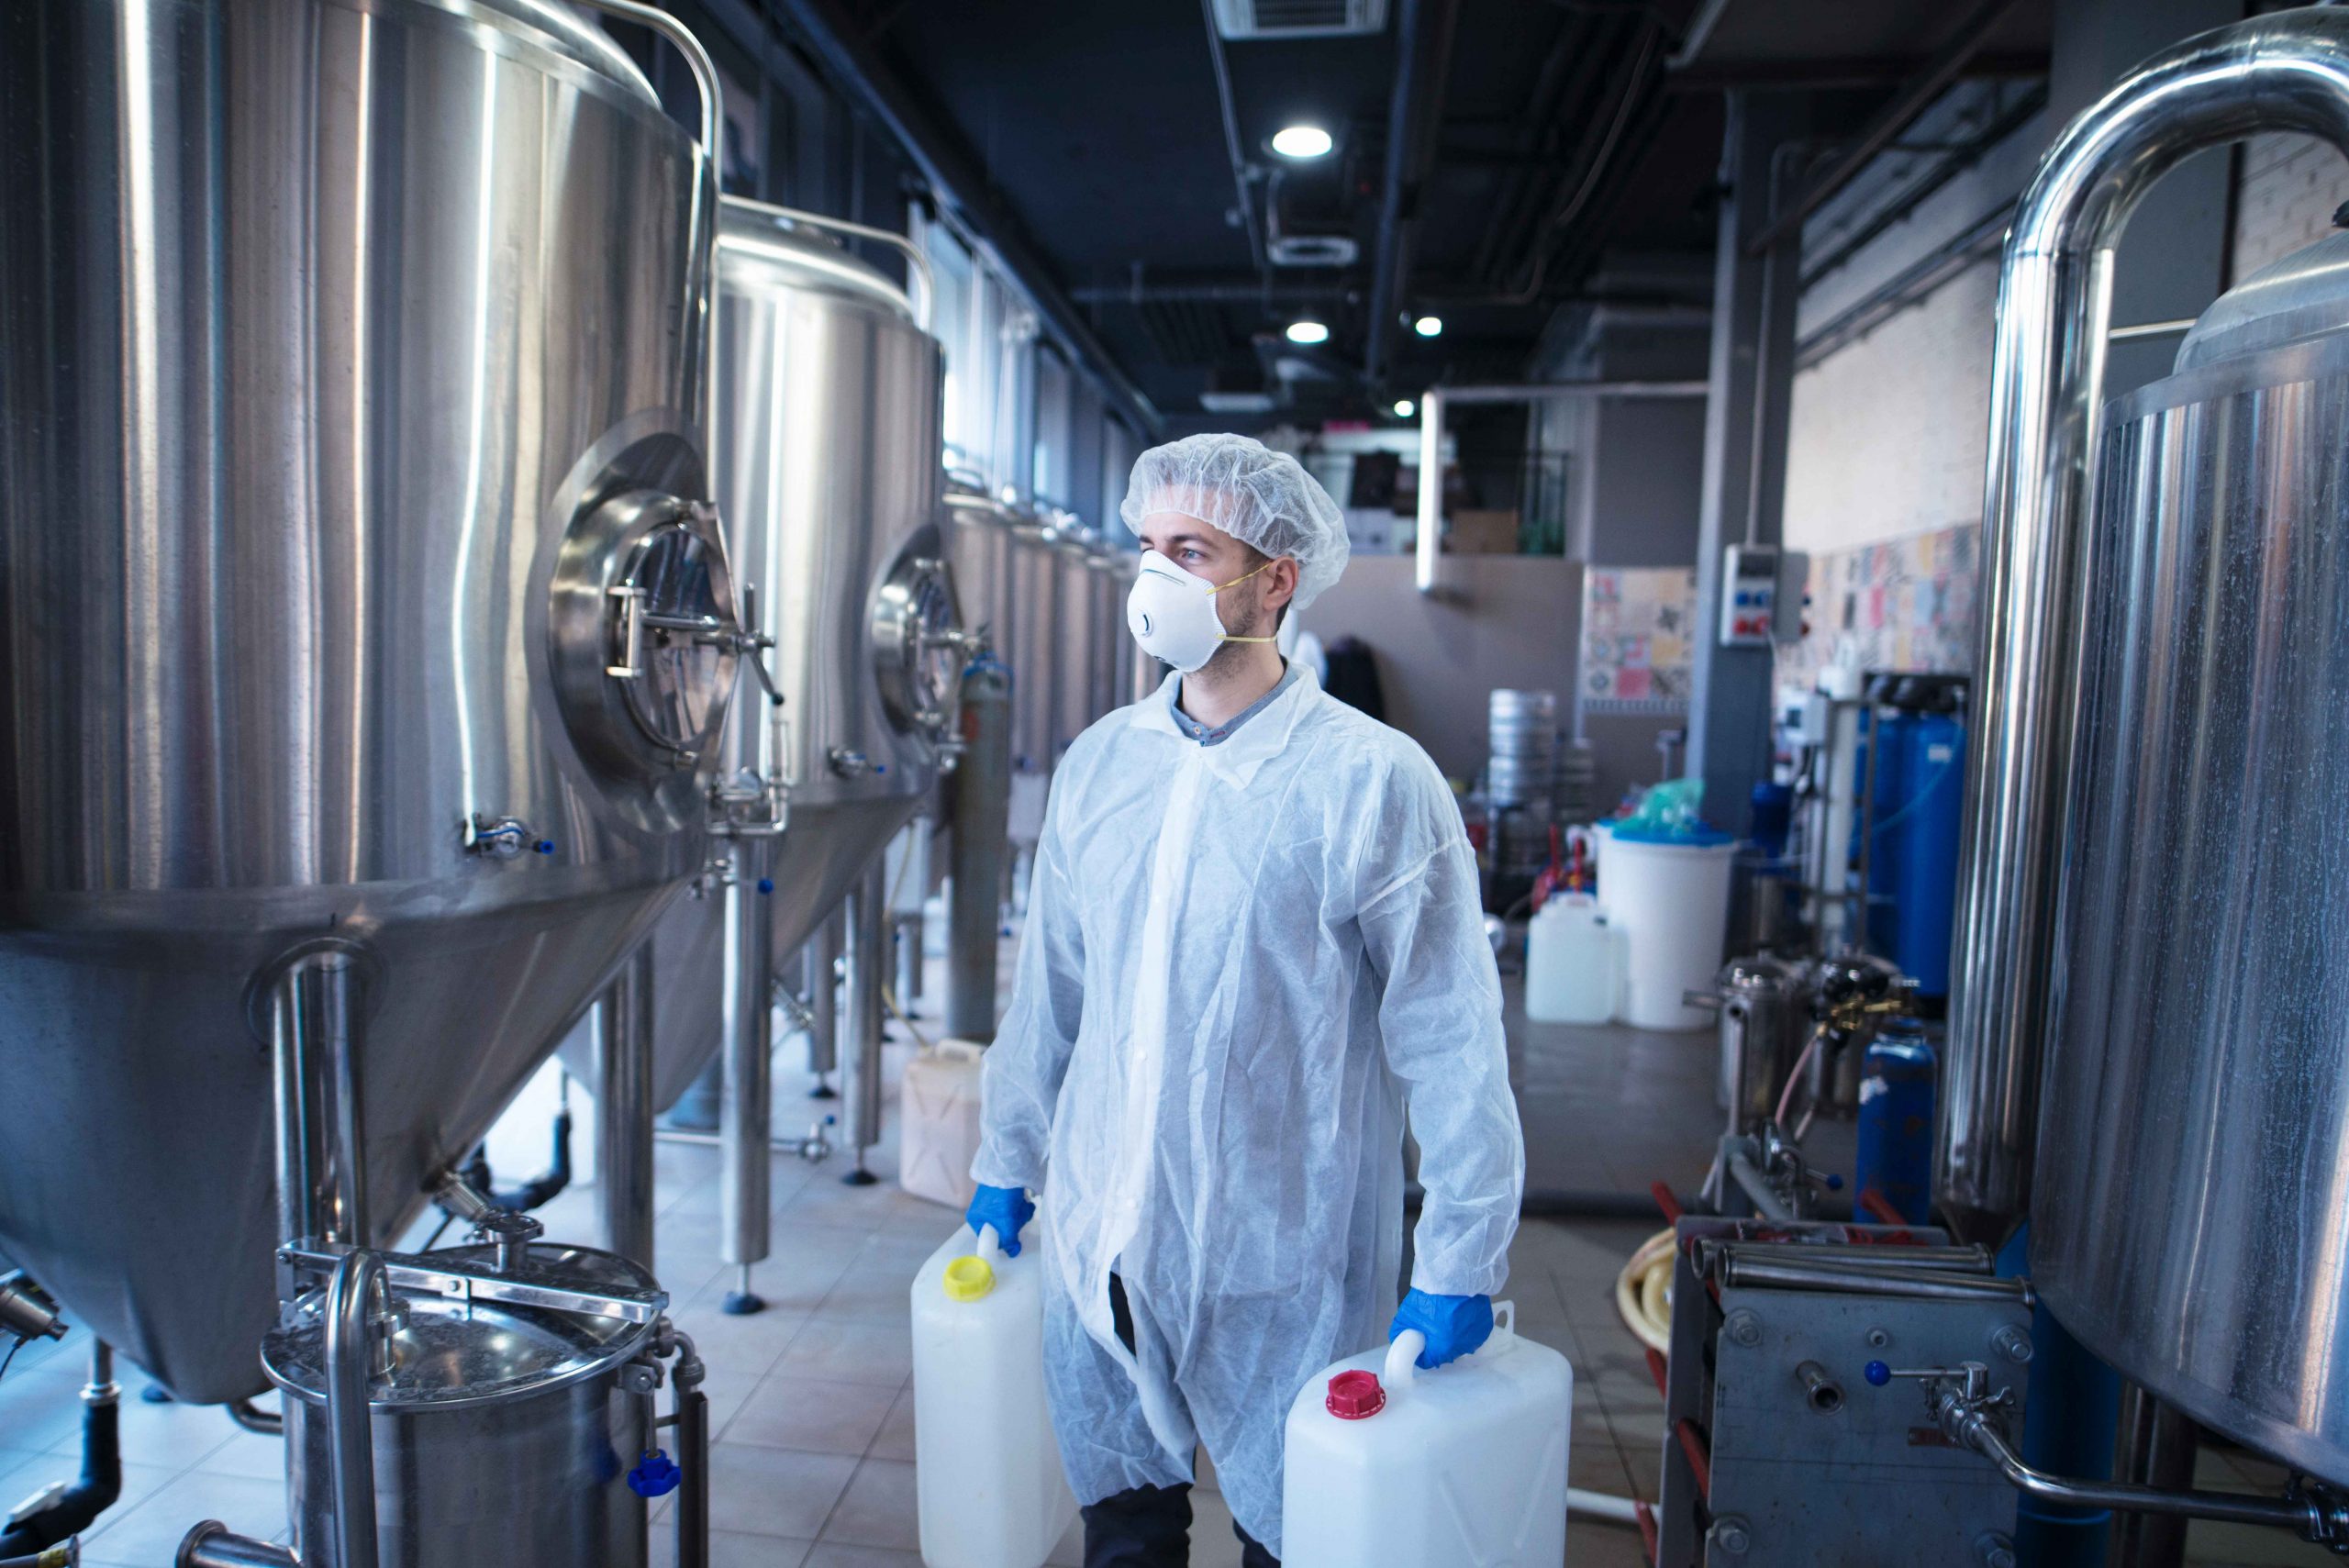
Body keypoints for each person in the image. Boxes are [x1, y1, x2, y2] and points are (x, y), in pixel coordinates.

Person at [966, 433, 1523, 1566]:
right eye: (1145, 545)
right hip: (1102, 1237)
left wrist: (1459, 1256)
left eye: (1191, 548)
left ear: (1275, 579)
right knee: (1123, 1529)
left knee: (1295, 1533)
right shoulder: (1100, 765)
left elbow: (1450, 1036)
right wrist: (1005, 1156)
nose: (1154, 576)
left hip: (1285, 1260)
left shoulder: (1370, 781)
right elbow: (1052, 995)